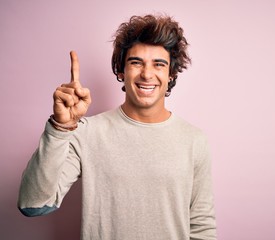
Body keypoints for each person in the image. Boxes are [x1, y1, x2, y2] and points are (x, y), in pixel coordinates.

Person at [18, 14, 216, 239]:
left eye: (158, 64)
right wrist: (60, 127)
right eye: (136, 62)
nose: (147, 74)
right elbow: (33, 204)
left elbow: (202, 227)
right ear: (121, 71)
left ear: (171, 74)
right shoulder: (85, 132)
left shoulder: (194, 140)